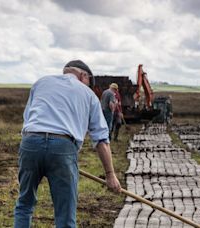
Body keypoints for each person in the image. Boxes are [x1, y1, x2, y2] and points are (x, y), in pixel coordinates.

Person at [14, 60, 121, 228]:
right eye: (88, 83)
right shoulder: (88, 94)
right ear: (83, 75)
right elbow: (101, 138)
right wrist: (110, 174)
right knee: (65, 213)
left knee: (24, 204)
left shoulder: (41, 83)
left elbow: (27, 118)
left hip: (30, 143)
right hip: (63, 148)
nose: (89, 87)